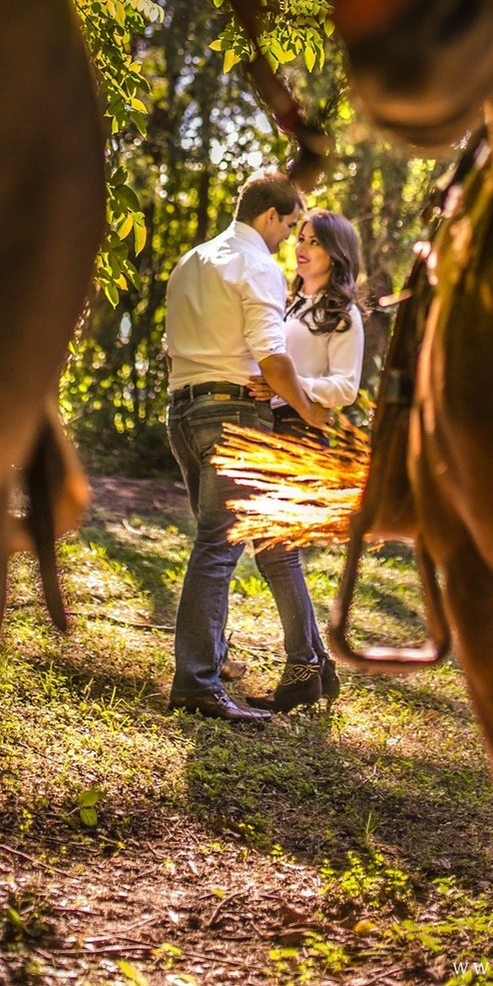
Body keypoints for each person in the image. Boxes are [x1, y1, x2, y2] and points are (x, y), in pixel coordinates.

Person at [164, 169, 328, 723]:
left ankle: (212, 668)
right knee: (217, 549)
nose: (289, 238)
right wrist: (311, 412)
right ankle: (197, 684)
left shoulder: (192, 261)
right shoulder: (257, 264)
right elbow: (274, 360)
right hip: (232, 415)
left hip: (183, 411)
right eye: (290, 226)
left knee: (211, 544)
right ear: (269, 216)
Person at [245, 210, 365, 712]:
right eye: (301, 238)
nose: (301, 247)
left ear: (335, 253)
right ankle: (319, 665)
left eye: (313, 241)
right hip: (278, 427)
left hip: (301, 436)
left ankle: (302, 669)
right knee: (274, 549)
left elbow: (346, 387)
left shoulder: (343, 313)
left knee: (275, 550)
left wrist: (288, 386)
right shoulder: (294, 305)